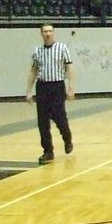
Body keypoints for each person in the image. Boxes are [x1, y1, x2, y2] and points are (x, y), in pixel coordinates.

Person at [25, 24, 75, 164]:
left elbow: (69, 67)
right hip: (42, 86)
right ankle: (48, 151)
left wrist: (71, 87)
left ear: (54, 33)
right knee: (42, 121)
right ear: (41, 34)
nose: (48, 33)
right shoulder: (37, 51)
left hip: (57, 85)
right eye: (45, 31)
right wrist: (29, 90)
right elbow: (33, 71)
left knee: (60, 117)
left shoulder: (62, 48)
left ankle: (67, 138)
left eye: (50, 31)